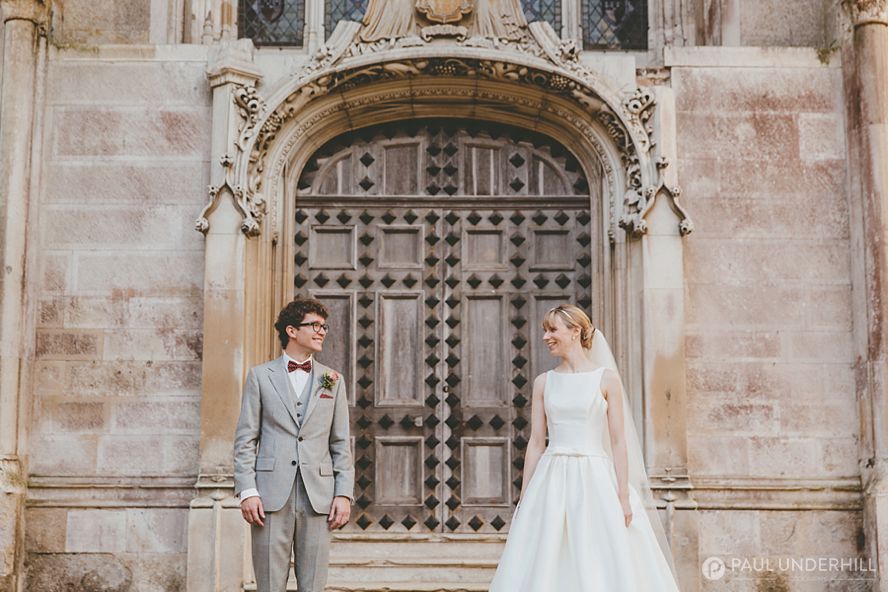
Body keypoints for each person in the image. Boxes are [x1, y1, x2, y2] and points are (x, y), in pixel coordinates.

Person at [489, 304, 681, 591]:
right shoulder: (544, 382)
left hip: (595, 477)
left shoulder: (606, 379)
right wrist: (525, 495)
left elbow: (618, 441)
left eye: (553, 330)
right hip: (552, 477)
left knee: (598, 553)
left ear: (575, 331)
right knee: (547, 552)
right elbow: (536, 442)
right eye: (545, 330)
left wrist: (623, 495)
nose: (545, 337)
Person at [233, 298, 354, 592]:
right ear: (291, 330)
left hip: (319, 496)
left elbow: (340, 443)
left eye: (324, 326)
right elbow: (246, 440)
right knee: (270, 583)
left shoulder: (331, 380)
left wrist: (344, 494)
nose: (321, 331)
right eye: (314, 325)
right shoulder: (260, 376)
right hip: (270, 497)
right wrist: (247, 491)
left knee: (313, 584)